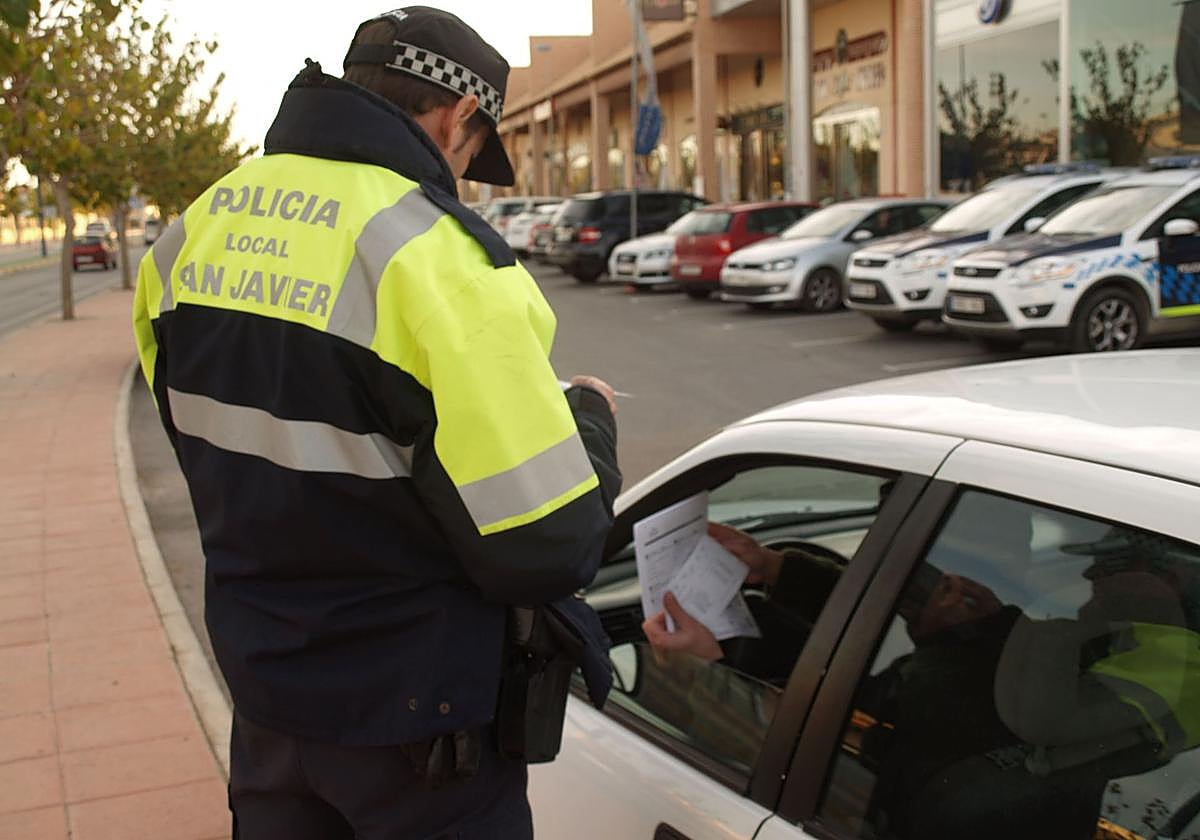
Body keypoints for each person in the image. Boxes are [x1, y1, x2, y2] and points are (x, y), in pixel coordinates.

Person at [132, 7, 621, 838]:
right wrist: (593, 424)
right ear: (458, 115)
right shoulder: (442, 260)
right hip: (418, 738)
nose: (460, 175)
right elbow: (546, 544)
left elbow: (209, 448)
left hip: (267, 705)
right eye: (471, 154)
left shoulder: (194, 231)